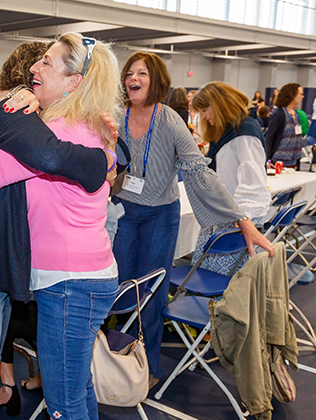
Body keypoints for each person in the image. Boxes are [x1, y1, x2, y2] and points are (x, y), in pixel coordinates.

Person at [0, 39, 114, 420]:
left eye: (47, 63)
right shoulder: (87, 123)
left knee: (65, 406)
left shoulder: (54, 132)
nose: (36, 67)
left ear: (74, 82)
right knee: (77, 391)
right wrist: (10, 98)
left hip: (69, 280)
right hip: (82, 276)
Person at [111, 52, 274, 388]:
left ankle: (149, 369)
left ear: (155, 80)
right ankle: (116, 363)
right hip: (124, 213)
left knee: (152, 293)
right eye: (129, 73)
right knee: (120, 289)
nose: (133, 78)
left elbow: (200, 173)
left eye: (141, 72)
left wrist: (241, 218)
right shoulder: (114, 116)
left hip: (160, 216)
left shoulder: (169, 120)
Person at [191, 82, 271, 274]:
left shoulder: (244, 133)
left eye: (204, 110)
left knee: (225, 281)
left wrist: (242, 219)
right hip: (229, 214)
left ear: (219, 105)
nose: (202, 116)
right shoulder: (232, 131)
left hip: (238, 219)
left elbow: (254, 185)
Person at [264, 83, 306, 167]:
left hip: (294, 159)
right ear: (292, 95)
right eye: (300, 94)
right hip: (279, 159)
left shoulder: (296, 113)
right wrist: (267, 160)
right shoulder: (279, 114)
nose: (303, 97)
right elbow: (270, 137)